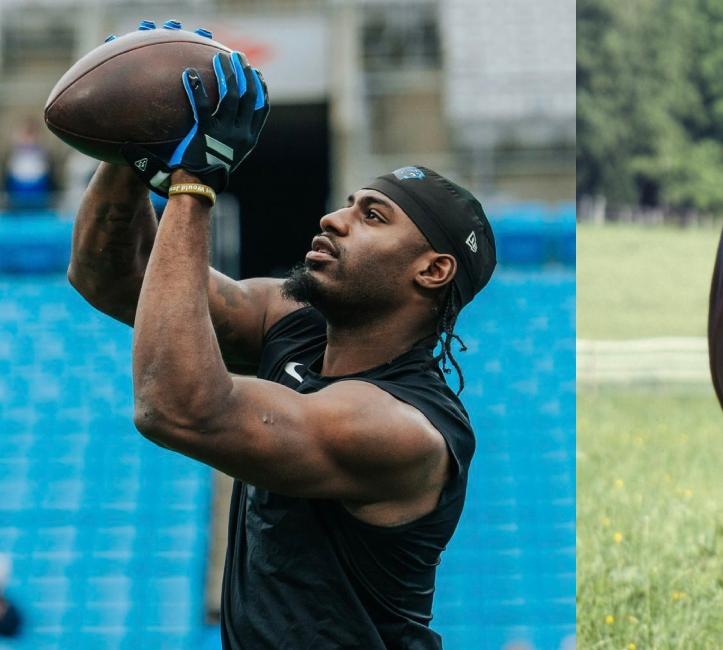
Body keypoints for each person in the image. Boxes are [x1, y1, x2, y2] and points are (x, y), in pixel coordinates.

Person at [67, 37, 496, 649]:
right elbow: (110, 275)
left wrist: (194, 182)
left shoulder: (402, 429)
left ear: (432, 271)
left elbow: (175, 406)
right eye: (349, 204)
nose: (334, 218)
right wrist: (139, 138)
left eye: (373, 216)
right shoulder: (291, 322)